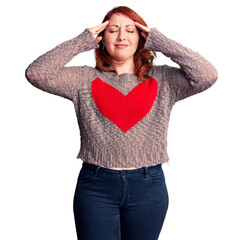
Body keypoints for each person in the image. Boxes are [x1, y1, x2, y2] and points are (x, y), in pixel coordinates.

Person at [25, 5, 218, 240]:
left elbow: (206, 75)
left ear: (142, 38)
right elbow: (36, 74)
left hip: (148, 186)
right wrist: (80, 41)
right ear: (101, 38)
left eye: (130, 30)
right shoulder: (83, 79)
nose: (121, 36)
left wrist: (161, 41)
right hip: (96, 186)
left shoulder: (163, 79)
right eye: (113, 30)